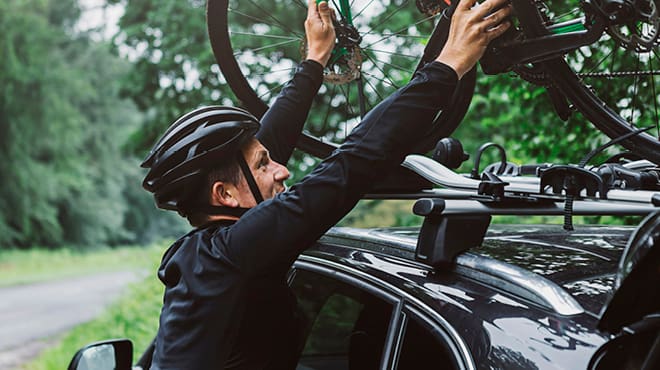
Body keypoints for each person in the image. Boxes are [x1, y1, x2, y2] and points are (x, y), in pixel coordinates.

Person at [140, 0, 512, 368]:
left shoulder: (207, 257)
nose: (282, 170)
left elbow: (274, 138)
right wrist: (450, 65)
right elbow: (353, 162)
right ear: (224, 195)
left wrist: (315, 59)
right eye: (264, 165)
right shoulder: (237, 252)